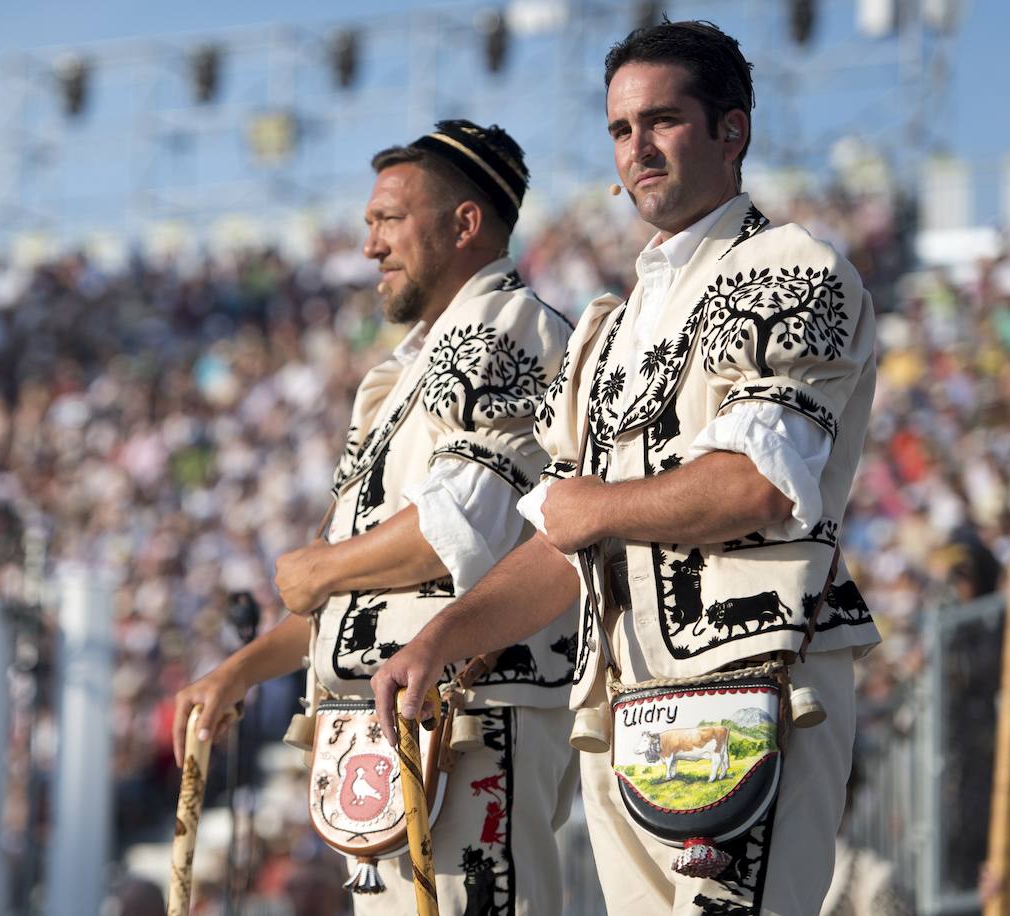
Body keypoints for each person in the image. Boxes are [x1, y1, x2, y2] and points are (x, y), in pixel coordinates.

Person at [373, 21, 881, 916]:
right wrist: (441, 640)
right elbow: (558, 536)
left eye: (663, 121)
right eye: (619, 130)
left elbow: (756, 483)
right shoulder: (609, 327)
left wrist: (591, 508)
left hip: (750, 683)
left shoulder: (790, 268)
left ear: (734, 131)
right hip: (619, 705)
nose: (636, 149)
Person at [173, 120, 579, 913]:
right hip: (389, 726)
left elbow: (455, 528)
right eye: (368, 225)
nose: (371, 247)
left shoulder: (504, 325)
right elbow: (353, 590)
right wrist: (239, 673)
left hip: (469, 718)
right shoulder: (398, 375)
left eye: (389, 220)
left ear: (465, 224)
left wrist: (319, 566)